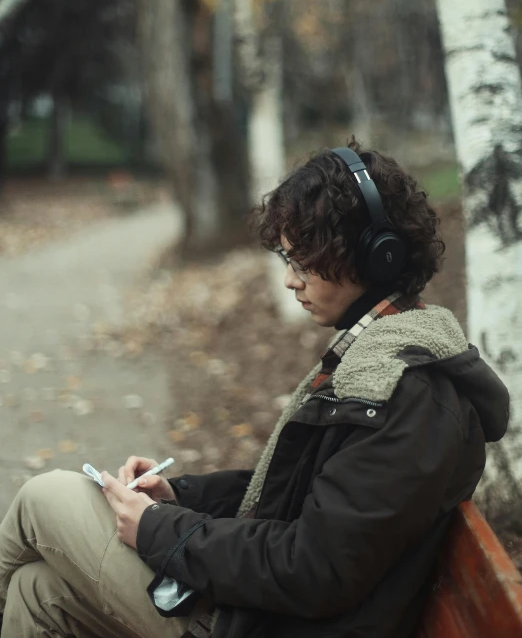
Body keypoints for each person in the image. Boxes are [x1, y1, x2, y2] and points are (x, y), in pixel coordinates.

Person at [0, 140, 509, 638]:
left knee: (42, 497)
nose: (291, 281)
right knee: (36, 591)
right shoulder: (383, 360)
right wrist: (180, 494)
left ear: (376, 256)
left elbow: (313, 568)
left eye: (302, 261)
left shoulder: (407, 396)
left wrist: (157, 530)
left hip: (263, 623)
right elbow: (303, 502)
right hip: (262, 611)